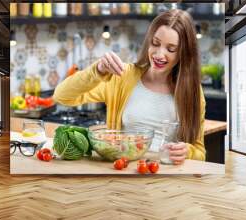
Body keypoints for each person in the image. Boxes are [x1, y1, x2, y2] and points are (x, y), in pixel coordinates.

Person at [53, 9, 206, 164]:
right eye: (155, 43)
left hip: (166, 177)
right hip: (123, 169)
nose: (159, 54)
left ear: (184, 53)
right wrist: (97, 70)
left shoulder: (193, 92)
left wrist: (187, 151)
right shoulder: (122, 76)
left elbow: (200, 152)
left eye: (171, 49)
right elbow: (61, 96)